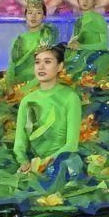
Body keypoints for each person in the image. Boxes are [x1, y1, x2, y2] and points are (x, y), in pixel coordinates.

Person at [13, 33, 82, 167]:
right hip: (32, 166)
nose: (41, 67)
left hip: (61, 164)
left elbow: (71, 145)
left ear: (60, 67)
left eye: (47, 62)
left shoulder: (70, 98)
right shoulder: (27, 100)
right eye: (37, 62)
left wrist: (45, 163)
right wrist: (23, 162)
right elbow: (19, 144)